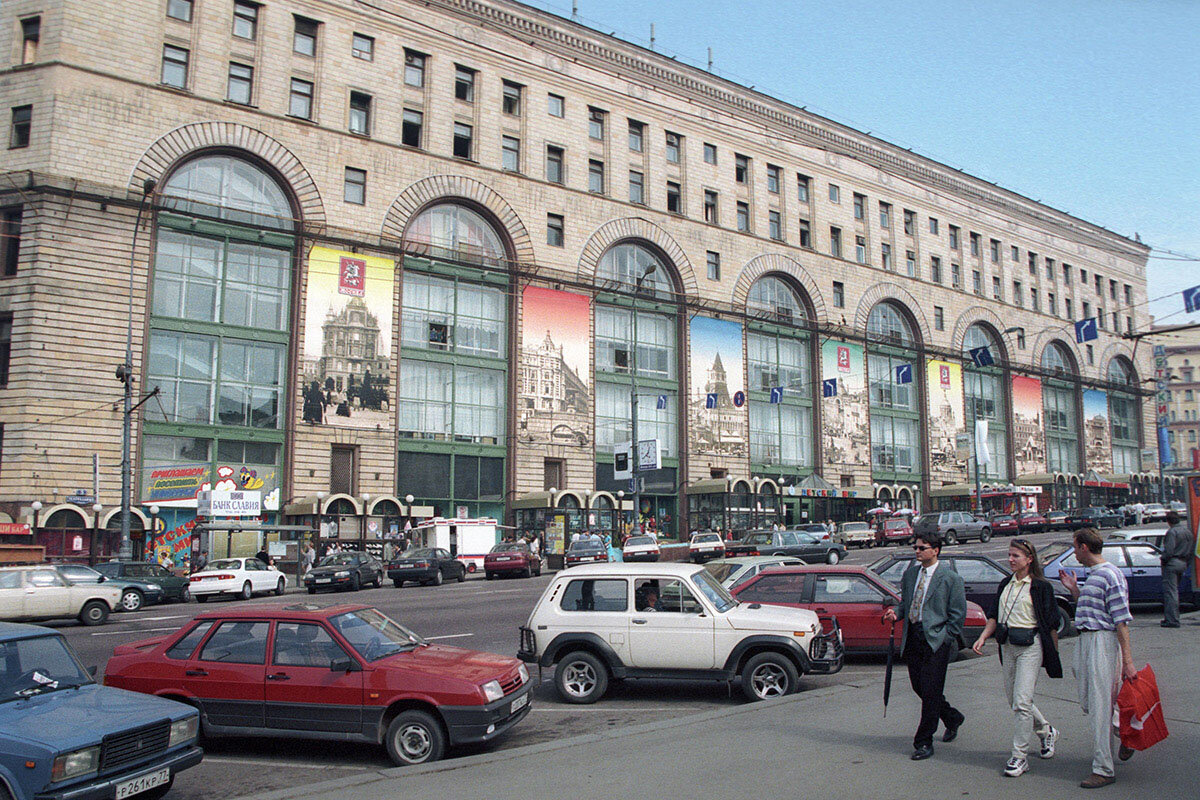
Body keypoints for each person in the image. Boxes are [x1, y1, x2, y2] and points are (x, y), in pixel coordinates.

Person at [972, 538, 1063, 777]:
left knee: (1022, 702)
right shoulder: (1005, 584)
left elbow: (1052, 623)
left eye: (1016, 556)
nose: (1010, 560)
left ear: (1029, 559)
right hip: (1008, 647)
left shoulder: (1042, 587)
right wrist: (983, 637)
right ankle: (1046, 731)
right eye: (1010, 555)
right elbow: (994, 615)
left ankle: (1019, 757)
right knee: (1015, 699)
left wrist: (1051, 654)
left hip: (1031, 647)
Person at [1059, 527, 1138, 789]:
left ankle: (1103, 768)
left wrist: (1127, 662)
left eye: (1074, 547)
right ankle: (1125, 732)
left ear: (1083, 547)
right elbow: (1093, 609)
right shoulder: (1094, 575)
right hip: (1086, 640)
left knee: (1100, 705)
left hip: (1101, 642)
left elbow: (1121, 621)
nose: (1074, 552)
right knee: (1091, 702)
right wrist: (1073, 590)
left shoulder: (1110, 575)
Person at [883, 530, 967, 761]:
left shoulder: (950, 579)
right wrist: (896, 614)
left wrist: (945, 637)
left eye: (922, 548)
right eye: (915, 548)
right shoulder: (910, 575)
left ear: (935, 550)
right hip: (914, 638)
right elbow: (906, 604)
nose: (917, 551)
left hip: (936, 640)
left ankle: (923, 742)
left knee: (931, 692)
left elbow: (958, 615)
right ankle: (952, 717)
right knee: (920, 687)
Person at [1160, 510, 1194, 628]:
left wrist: (1163, 559)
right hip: (1183, 562)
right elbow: (1191, 550)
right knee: (1175, 592)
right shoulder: (1187, 531)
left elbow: (1169, 551)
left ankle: (1172, 620)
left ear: (1168, 521)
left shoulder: (1172, 532)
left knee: (1171, 593)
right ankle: (1173, 618)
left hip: (1172, 563)